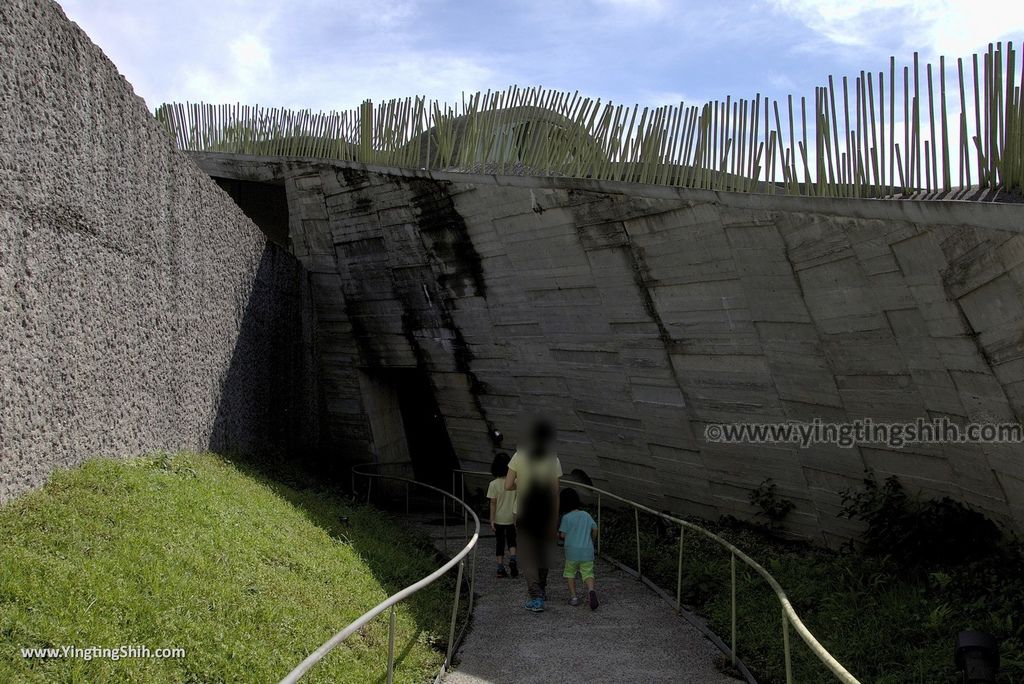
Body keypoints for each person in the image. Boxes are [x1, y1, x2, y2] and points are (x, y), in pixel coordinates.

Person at [505, 418, 561, 613]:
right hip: (545, 512)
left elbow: (507, 485)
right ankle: (542, 590)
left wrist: (519, 483)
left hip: (524, 511)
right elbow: (555, 492)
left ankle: (536, 596)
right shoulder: (553, 459)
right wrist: (554, 520)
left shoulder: (519, 456)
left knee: (528, 557)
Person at [558, 487, 599, 610]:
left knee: (570, 573)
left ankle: (574, 597)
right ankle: (591, 591)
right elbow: (595, 528)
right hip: (587, 550)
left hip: (572, 552)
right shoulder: (586, 515)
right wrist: (592, 540)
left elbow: (563, 535)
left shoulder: (566, 518)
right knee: (588, 573)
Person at [487, 453, 518, 578]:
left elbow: (493, 504)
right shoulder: (514, 483)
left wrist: (492, 520)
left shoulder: (493, 484)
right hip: (512, 518)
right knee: (512, 540)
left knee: (499, 542)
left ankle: (500, 568)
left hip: (499, 519)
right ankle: (513, 559)